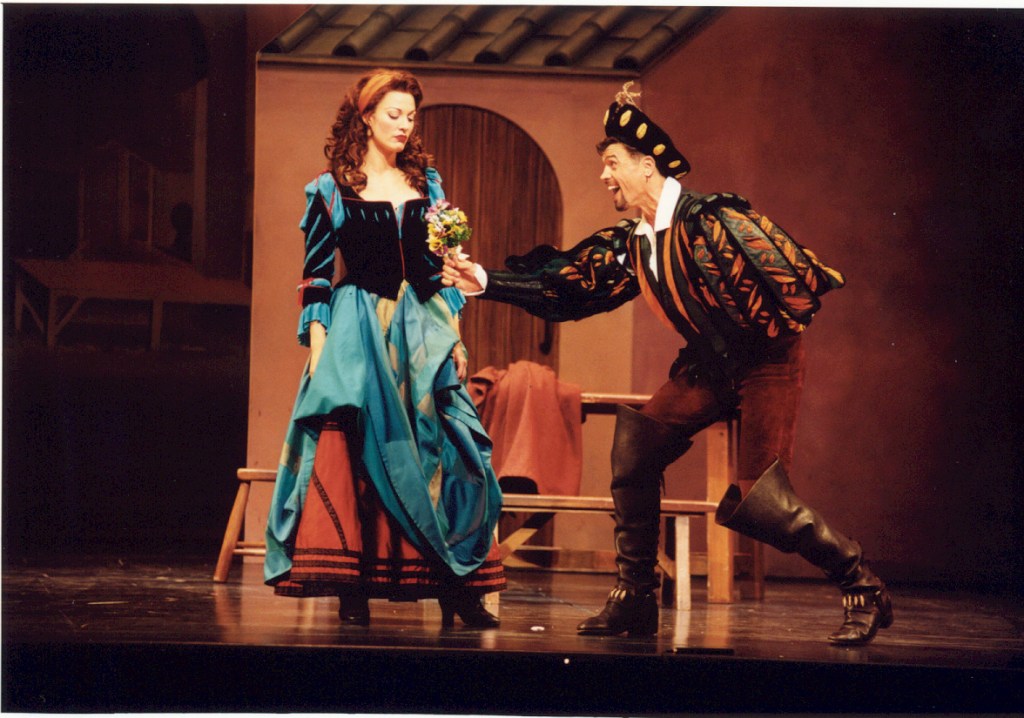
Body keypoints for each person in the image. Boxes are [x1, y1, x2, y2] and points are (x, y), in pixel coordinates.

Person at [442, 83, 893, 645]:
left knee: (763, 501)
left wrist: (750, 321)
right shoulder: (635, 241)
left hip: (766, 364)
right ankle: (635, 596)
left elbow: (792, 284)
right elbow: (572, 286)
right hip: (709, 366)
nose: (604, 175)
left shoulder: (713, 220)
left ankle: (862, 584)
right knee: (635, 450)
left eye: (612, 163)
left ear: (647, 165)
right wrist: (484, 280)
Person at [264, 69, 505, 628]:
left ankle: (455, 586)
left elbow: (444, 268)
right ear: (367, 117)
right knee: (358, 452)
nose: (404, 125)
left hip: (423, 326)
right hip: (359, 328)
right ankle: (355, 588)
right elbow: (316, 276)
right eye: (394, 114)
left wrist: (455, 334)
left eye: (411, 116)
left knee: (448, 448)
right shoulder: (331, 189)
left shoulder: (427, 185)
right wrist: (319, 348)